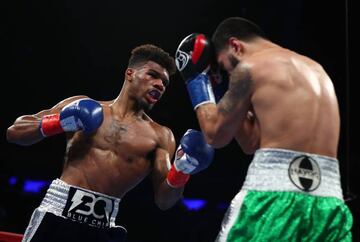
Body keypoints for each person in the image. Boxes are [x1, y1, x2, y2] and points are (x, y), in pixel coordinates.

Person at [6, 44, 214, 242]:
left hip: (103, 228)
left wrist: (182, 170)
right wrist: (58, 122)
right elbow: (14, 132)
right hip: (57, 212)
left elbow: (164, 201)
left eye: (165, 83)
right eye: (153, 75)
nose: (160, 84)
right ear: (130, 74)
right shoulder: (82, 105)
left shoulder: (161, 136)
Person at [175, 17, 353, 241]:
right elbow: (251, 142)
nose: (227, 76)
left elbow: (214, 134)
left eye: (225, 67)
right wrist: (221, 92)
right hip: (330, 203)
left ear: (236, 46)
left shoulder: (250, 68)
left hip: (272, 198)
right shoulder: (316, 70)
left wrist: (196, 80)